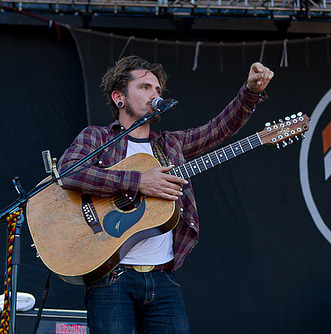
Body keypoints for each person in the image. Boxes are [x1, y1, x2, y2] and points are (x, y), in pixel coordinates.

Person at [57, 55, 274, 333]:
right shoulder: (98, 137)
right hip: (111, 278)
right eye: (145, 87)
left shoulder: (169, 144)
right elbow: (68, 173)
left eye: (158, 90)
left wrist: (250, 93)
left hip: (162, 280)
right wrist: (137, 182)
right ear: (119, 97)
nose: (155, 94)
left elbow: (219, 129)